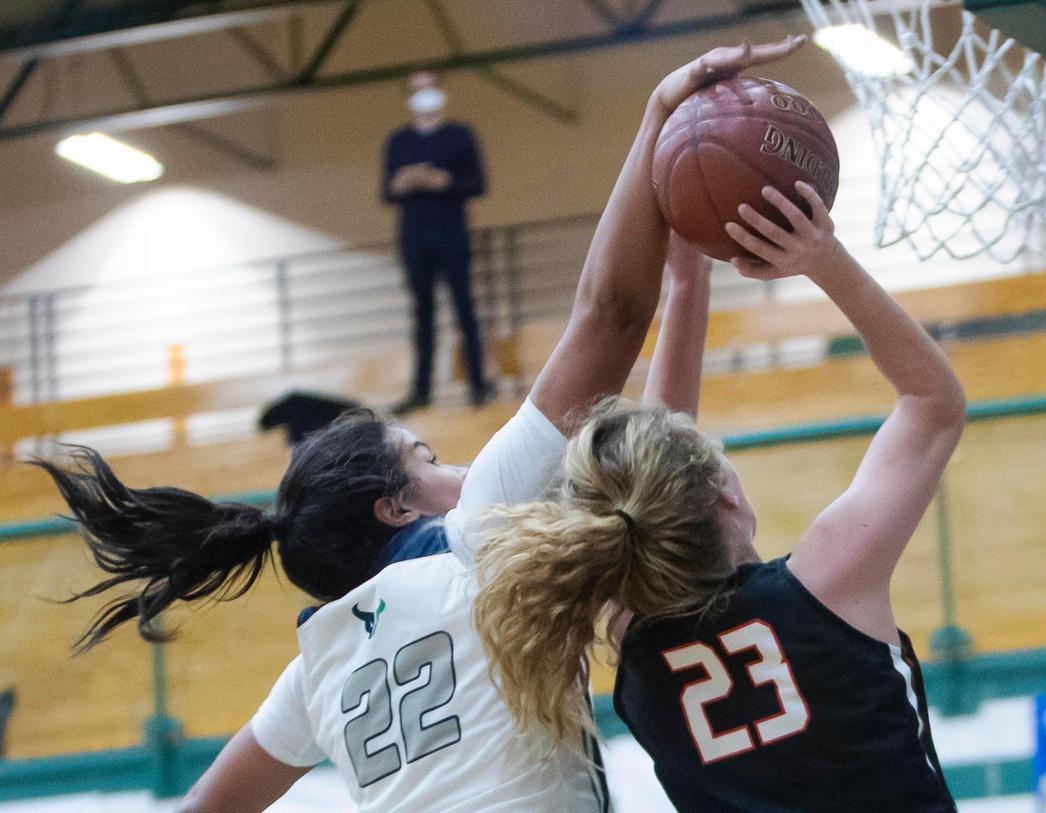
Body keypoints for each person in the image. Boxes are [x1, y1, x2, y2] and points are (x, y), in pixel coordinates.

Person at [33, 39, 807, 813]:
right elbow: (609, 318)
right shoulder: (476, 535)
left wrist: (686, 279)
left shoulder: (315, 669)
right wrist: (655, 119)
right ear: (396, 507)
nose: (461, 467)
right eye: (427, 456)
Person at [473, 183, 966, 811]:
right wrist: (822, 258)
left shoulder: (637, 647)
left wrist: (689, 287)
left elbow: (652, 483)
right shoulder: (830, 580)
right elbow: (933, 404)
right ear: (724, 493)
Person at [382, 70, 492, 415]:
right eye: (417, 89)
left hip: (452, 233)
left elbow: (478, 183)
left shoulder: (460, 135)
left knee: (465, 309)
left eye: (429, 87)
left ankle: (478, 385)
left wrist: (444, 181)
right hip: (414, 237)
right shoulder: (397, 141)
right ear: (408, 96)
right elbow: (386, 192)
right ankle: (421, 391)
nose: (424, 94)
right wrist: (404, 182)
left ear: (440, 92)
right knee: (422, 314)